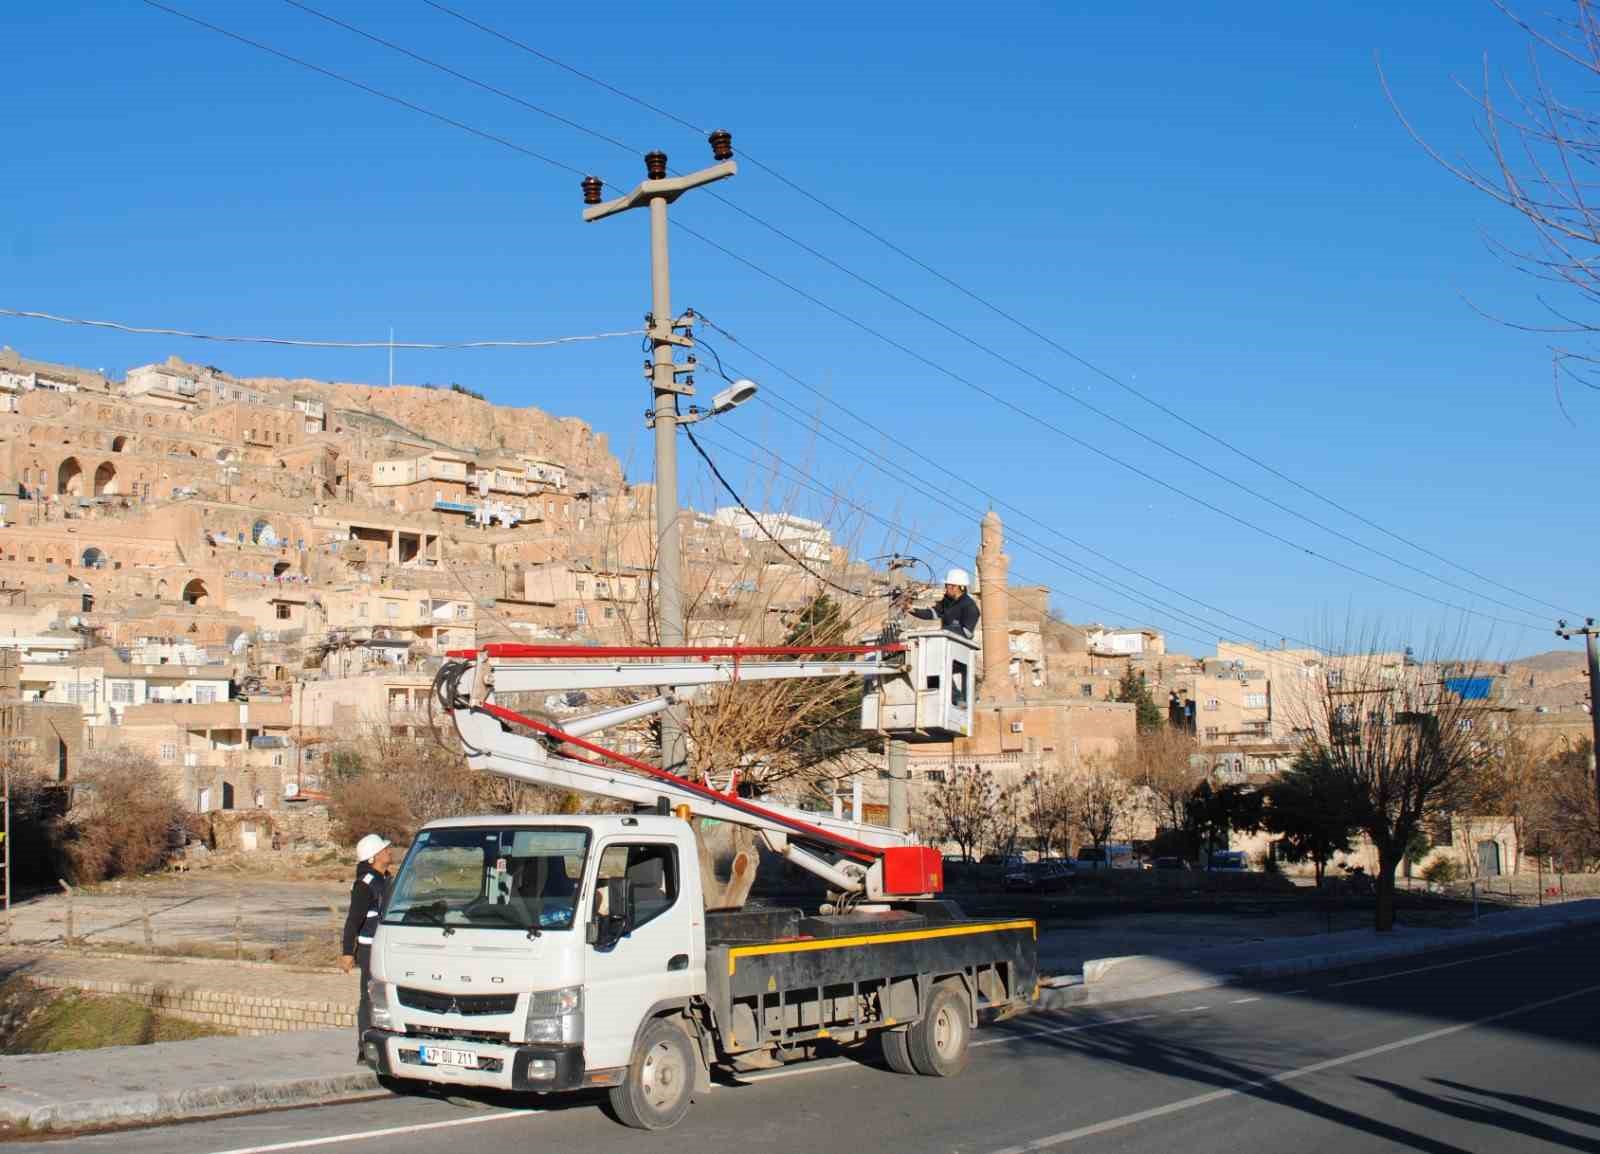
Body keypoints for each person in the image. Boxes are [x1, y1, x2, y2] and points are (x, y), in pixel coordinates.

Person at [340, 833, 395, 1062]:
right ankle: (365, 1046)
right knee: (369, 997)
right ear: (373, 857)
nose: (389, 851)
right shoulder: (365, 885)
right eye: (384, 850)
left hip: (388, 947)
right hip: (370, 949)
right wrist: (346, 952)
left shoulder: (388, 880)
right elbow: (353, 920)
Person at [904, 568, 980, 638]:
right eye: (946, 585)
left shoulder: (969, 606)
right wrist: (912, 609)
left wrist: (943, 631)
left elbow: (967, 633)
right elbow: (932, 613)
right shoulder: (947, 601)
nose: (946, 588)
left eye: (948, 585)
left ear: (958, 587)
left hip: (959, 649)